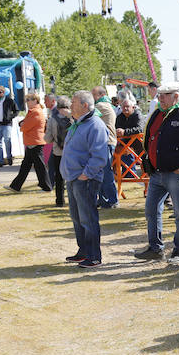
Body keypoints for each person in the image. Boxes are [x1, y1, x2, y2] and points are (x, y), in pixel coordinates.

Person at [135, 83, 179, 263]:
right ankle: (155, 248)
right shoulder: (158, 113)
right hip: (157, 173)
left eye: (166, 94)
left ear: (176, 96)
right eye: (160, 94)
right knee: (151, 210)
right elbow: (149, 139)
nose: (161, 97)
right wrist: (147, 161)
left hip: (176, 174)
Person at [60, 90, 110, 268]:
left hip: (85, 179)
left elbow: (99, 156)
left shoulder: (95, 125)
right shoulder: (79, 123)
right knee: (77, 217)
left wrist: (85, 175)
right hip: (74, 178)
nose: (70, 105)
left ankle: (94, 256)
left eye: (73, 102)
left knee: (88, 218)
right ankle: (83, 251)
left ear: (85, 106)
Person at [5, 92, 52, 193]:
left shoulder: (36, 112)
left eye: (28, 100)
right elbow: (23, 123)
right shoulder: (33, 111)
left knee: (39, 166)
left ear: (35, 100)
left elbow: (25, 126)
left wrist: (22, 124)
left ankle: (47, 187)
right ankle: (15, 186)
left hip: (35, 142)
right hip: (32, 142)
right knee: (26, 166)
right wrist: (22, 124)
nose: (26, 102)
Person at [92, 86, 119, 209]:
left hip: (106, 142)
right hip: (106, 142)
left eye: (93, 94)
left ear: (100, 95)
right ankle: (104, 200)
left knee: (106, 172)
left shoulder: (101, 106)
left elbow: (87, 114)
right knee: (102, 171)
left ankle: (112, 200)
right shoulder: (107, 105)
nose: (92, 97)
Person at [44, 96, 73, 206]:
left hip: (58, 151)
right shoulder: (74, 118)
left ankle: (59, 201)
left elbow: (48, 139)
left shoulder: (52, 120)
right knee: (72, 176)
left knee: (59, 177)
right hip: (72, 151)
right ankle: (73, 199)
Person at [115, 97, 144, 178]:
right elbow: (117, 127)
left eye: (127, 106)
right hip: (126, 143)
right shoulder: (120, 117)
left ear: (133, 107)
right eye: (123, 107)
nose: (125, 108)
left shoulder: (138, 115)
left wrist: (125, 132)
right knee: (120, 150)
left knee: (144, 162)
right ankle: (128, 175)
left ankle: (145, 179)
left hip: (140, 143)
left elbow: (140, 129)